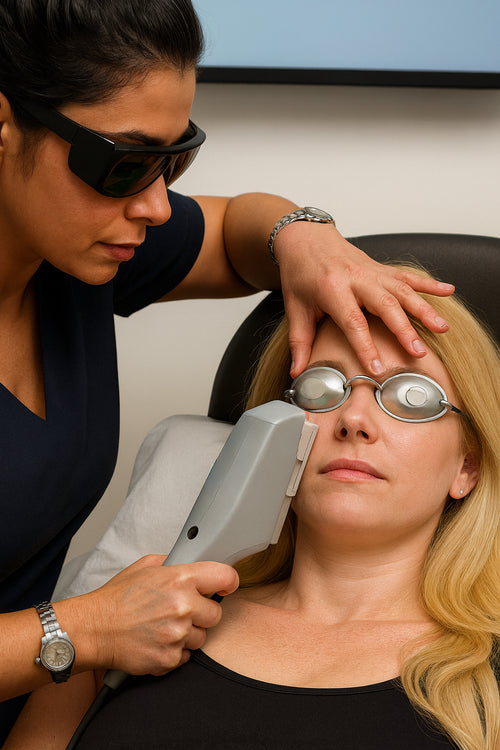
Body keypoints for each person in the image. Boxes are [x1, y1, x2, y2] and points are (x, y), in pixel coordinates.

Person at [0, 0, 455, 740]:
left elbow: (238, 227)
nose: (155, 204)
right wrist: (85, 630)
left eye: (175, 162)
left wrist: (304, 237)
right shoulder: (114, 638)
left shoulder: (79, 244)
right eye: (123, 165)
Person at [5, 266, 500, 749]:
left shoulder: (486, 678)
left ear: (468, 467)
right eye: (322, 387)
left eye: (411, 397)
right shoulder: (130, 629)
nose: (353, 419)